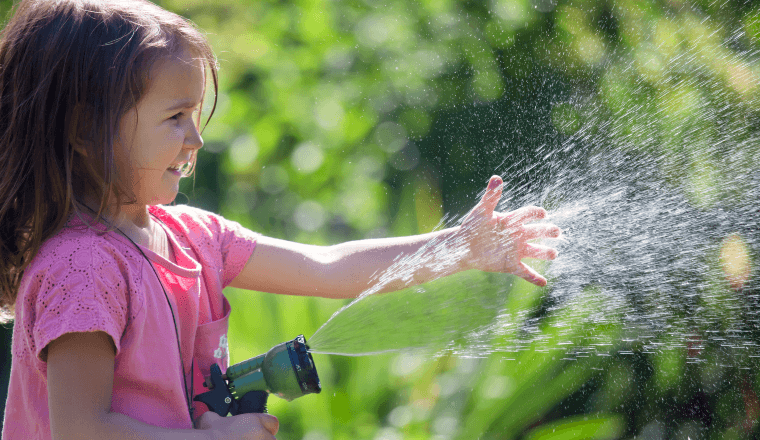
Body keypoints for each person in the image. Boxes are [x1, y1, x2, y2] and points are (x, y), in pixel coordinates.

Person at [0, 1, 561, 439]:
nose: (196, 138)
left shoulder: (194, 239)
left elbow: (327, 267)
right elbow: (81, 429)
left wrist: (460, 247)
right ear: (81, 130)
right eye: (174, 118)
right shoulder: (81, 268)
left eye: (196, 116)